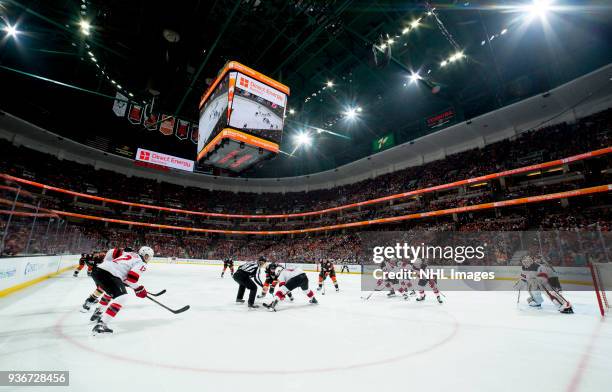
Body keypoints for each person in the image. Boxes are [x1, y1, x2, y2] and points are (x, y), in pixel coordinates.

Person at [90, 246, 154, 334]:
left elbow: (112, 251)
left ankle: (98, 311)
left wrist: (106, 263)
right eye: (147, 256)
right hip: (110, 274)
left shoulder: (129, 254)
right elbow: (131, 278)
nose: (148, 258)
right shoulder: (141, 263)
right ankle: (102, 324)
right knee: (122, 297)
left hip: (98, 271)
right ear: (142, 253)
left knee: (111, 293)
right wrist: (139, 288)